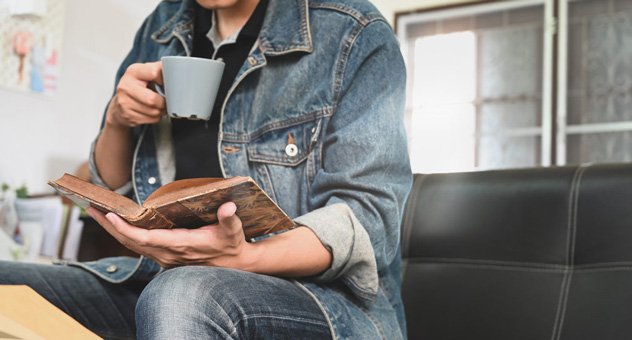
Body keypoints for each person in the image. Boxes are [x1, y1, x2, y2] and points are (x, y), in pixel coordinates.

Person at [0, 0, 412, 338]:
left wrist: (245, 258)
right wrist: (117, 121)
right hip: (161, 277)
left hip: (324, 301)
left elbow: (367, 220)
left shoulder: (353, 31)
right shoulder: (161, 27)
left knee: (182, 294)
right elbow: (114, 186)